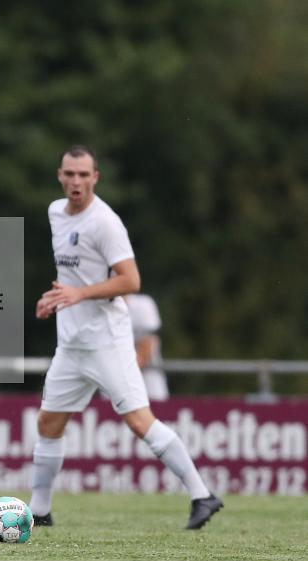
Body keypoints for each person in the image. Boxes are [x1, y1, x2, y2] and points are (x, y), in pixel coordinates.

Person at [32, 145, 222, 530]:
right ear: (60, 175)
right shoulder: (55, 212)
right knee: (49, 423)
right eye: (70, 173)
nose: (76, 181)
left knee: (139, 422)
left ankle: (202, 495)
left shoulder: (106, 223)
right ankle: (39, 510)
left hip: (108, 342)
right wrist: (56, 298)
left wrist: (80, 294)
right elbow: (73, 275)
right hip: (71, 345)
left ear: (95, 177)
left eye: (83, 174)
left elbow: (131, 280)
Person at [125, 293, 169, 401]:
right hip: (113, 389)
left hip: (149, 386)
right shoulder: (99, 308)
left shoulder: (143, 305)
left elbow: (145, 352)